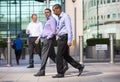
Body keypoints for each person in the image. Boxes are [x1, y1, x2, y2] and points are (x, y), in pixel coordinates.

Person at [52, 4, 85, 78]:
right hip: (61, 38)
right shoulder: (59, 18)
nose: (53, 12)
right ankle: (79, 67)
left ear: (58, 9)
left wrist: (69, 40)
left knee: (58, 56)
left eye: (54, 10)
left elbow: (69, 29)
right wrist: (57, 32)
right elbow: (61, 28)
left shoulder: (65, 16)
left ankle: (60, 73)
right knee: (66, 56)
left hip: (64, 38)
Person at [34, 8, 68, 76]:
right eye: (45, 12)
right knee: (52, 55)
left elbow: (53, 31)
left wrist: (48, 37)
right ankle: (64, 64)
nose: (46, 13)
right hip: (47, 39)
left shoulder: (52, 20)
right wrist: (39, 38)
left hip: (49, 39)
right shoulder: (47, 20)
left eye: (47, 12)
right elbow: (44, 31)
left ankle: (42, 71)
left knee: (44, 55)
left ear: (50, 13)